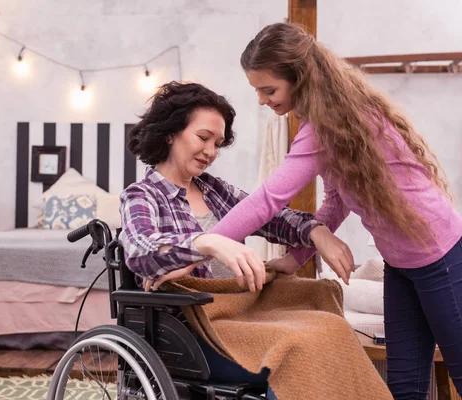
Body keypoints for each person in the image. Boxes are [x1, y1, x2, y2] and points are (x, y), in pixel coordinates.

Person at [206, 22, 462, 399]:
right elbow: (336, 202)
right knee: (405, 387)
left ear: (299, 77)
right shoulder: (330, 121)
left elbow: (268, 200)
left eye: (268, 89)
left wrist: (206, 241)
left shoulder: (328, 126)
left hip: (439, 257)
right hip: (402, 265)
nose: (261, 100)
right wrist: (296, 259)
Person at [118, 81, 353, 394]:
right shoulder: (141, 196)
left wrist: (317, 231)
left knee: (329, 322)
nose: (211, 152)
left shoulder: (214, 190)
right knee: (299, 348)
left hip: (242, 313)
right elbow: (141, 253)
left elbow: (275, 217)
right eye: (203, 138)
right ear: (170, 133)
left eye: (218, 143)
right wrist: (208, 242)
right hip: (199, 332)